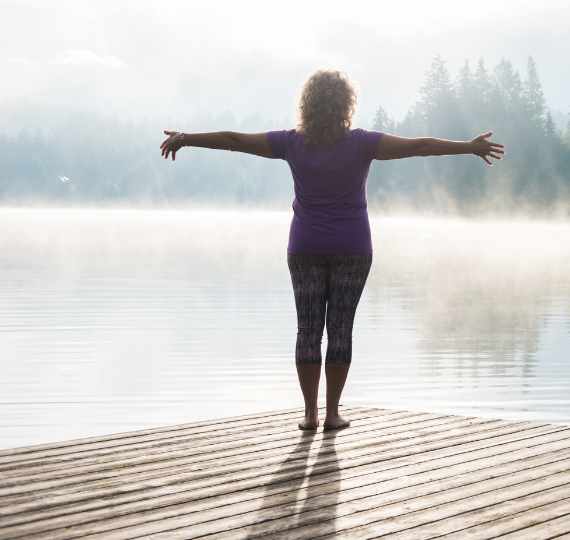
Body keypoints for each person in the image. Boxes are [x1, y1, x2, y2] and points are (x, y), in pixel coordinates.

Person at [159, 69, 504, 431]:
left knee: (307, 330)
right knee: (340, 330)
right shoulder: (362, 143)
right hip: (352, 248)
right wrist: (469, 147)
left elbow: (233, 139)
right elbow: (420, 147)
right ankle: (332, 414)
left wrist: (186, 138)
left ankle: (309, 415)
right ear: (346, 104)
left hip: (305, 247)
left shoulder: (290, 142)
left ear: (306, 105)